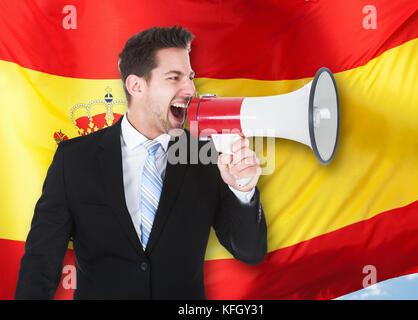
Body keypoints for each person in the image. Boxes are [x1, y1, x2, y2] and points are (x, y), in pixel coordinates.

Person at [15, 25, 267, 300]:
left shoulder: (206, 154)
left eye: (191, 77)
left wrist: (242, 189)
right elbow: (41, 264)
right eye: (174, 78)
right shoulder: (74, 159)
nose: (191, 88)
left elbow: (250, 252)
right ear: (136, 85)